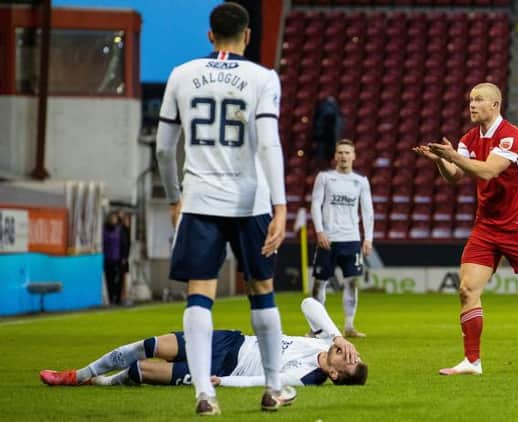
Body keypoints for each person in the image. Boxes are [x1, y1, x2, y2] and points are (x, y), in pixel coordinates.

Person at [154, 2, 290, 415]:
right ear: (247, 35)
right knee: (262, 290)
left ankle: (204, 394)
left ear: (209, 35)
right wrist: (280, 206)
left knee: (200, 293)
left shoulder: (181, 75)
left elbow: (163, 148)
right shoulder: (263, 78)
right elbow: (268, 143)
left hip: (199, 199)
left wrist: (174, 196)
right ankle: (273, 388)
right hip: (251, 200)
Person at [413, 82, 518, 376]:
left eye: (478, 100)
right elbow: (455, 176)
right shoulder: (468, 138)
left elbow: (488, 171)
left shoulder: (511, 137)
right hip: (486, 226)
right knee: (467, 289)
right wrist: (441, 160)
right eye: (469, 100)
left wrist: (453, 156)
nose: (472, 105)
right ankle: (472, 361)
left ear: (495, 105)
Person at [39, 298, 367, 388]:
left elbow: (265, 380)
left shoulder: (307, 376)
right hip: (230, 340)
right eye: (354, 352)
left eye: (349, 360)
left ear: (336, 375)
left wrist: (223, 381)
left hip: (224, 366)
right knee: (149, 345)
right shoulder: (325, 340)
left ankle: (105, 382)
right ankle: (77, 375)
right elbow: (309, 303)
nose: (348, 352)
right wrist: (338, 334)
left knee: (142, 371)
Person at [310, 139, 374, 338]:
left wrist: (368, 238)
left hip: (351, 239)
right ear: (335, 156)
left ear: (353, 156)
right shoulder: (325, 178)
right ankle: (317, 329)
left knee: (352, 282)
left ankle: (349, 326)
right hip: (328, 239)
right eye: (340, 152)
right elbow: (315, 205)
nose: (344, 156)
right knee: (320, 283)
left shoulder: (360, 181)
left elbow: (367, 210)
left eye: (347, 152)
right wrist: (320, 231)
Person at [102, 211, 127, 306]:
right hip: (108, 259)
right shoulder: (104, 230)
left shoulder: (119, 230)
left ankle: (118, 298)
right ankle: (111, 298)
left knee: (119, 280)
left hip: (118, 259)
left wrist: (124, 257)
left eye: (115, 218)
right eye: (112, 218)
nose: (114, 220)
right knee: (109, 280)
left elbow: (123, 244)